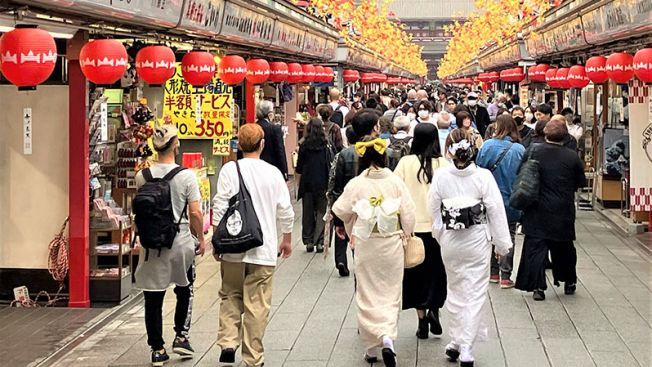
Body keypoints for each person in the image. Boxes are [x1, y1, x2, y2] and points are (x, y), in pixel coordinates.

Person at [427, 128, 512, 367]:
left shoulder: (442, 176)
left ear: (449, 151)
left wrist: (440, 232)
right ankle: (466, 347)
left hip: (451, 239)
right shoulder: (483, 176)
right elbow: (495, 209)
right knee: (474, 292)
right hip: (477, 239)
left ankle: (457, 340)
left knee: (455, 289)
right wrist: (502, 243)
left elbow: (433, 208)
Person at [213, 124, 294, 367]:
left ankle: (228, 341)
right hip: (263, 248)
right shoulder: (273, 173)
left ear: (238, 144)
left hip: (233, 246)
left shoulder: (229, 169)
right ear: (262, 144)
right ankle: (253, 357)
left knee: (230, 294)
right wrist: (287, 239)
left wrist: (218, 240)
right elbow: (286, 210)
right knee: (257, 304)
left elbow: (220, 205)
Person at [332, 136, 416, 367]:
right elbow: (409, 215)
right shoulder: (395, 181)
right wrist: (406, 233)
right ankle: (387, 336)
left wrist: (348, 225)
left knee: (367, 292)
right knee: (390, 291)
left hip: (367, 242)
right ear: (383, 156)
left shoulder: (357, 183)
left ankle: (371, 347)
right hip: (391, 243)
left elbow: (339, 209)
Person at [135, 124, 206, 367]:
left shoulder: (141, 176)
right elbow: (195, 213)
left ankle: (157, 349)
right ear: (176, 145)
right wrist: (202, 238)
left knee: (153, 297)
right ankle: (181, 336)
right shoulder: (186, 176)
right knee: (184, 288)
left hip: (151, 245)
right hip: (181, 243)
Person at [515, 119, 587, 301]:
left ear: (545, 133)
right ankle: (569, 280)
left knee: (536, 246)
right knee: (564, 247)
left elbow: (520, 172)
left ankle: (538, 286)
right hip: (562, 209)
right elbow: (581, 182)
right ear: (565, 136)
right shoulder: (572, 157)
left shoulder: (534, 150)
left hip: (537, 207)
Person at [394, 123, 448, 340]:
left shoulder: (406, 163)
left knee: (415, 274)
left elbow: (396, 191)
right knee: (437, 271)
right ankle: (435, 309)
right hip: (438, 228)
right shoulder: (443, 164)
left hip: (413, 229)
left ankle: (422, 320)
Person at [476, 115, 526, 289]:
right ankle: (506, 275)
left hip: (489, 197)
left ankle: (493, 272)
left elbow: (478, 170)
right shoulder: (519, 149)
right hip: (511, 197)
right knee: (509, 234)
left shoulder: (487, 145)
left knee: (490, 235)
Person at [331, 110, 381, 277]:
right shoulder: (383, 151)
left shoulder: (345, 154)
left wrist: (338, 220)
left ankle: (347, 263)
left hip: (352, 208)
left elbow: (338, 189)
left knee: (359, 251)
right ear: (374, 128)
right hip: (377, 208)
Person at [296, 118, 332, 253]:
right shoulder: (326, 144)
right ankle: (321, 241)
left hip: (308, 182)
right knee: (322, 211)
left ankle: (309, 240)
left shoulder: (304, 145)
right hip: (323, 182)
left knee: (308, 212)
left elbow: (299, 167)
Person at [256, 100, 288, 180]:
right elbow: (280, 151)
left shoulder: (253, 127)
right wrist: (284, 172)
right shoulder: (275, 129)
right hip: (272, 167)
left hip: (256, 167)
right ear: (270, 114)